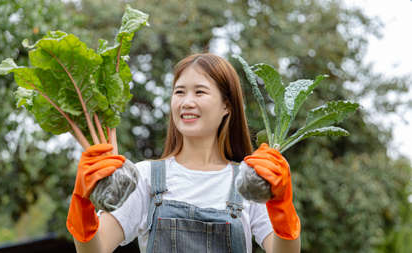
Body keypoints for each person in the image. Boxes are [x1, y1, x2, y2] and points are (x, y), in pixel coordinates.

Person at [66, 53, 301, 253]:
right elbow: (96, 249)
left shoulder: (248, 182)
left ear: (226, 106)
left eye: (200, 92)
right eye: (179, 92)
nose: (187, 102)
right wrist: (82, 201)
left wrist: (282, 204)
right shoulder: (144, 177)